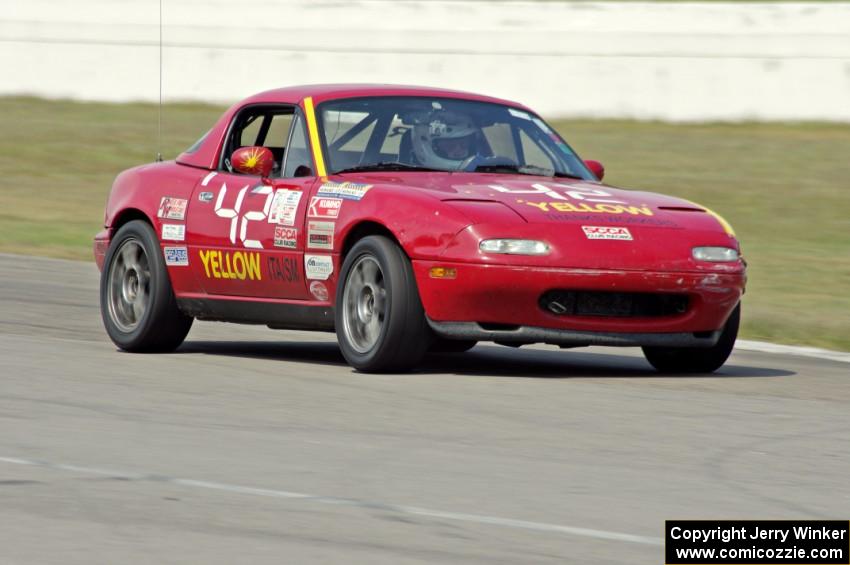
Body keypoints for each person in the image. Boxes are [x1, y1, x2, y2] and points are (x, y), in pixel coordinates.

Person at [410, 110, 481, 170]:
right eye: (450, 145)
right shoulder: (411, 183)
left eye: (464, 143)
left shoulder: (481, 167)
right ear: (423, 146)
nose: (459, 150)